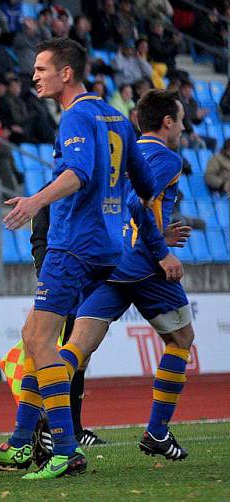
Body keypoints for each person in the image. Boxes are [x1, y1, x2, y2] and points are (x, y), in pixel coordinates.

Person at [0, 37, 156, 479]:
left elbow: (78, 173)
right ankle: (21, 442)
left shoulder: (75, 114)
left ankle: (64, 447)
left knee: (41, 342)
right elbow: (146, 182)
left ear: (67, 73)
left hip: (73, 242)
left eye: (42, 68)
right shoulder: (116, 116)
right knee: (34, 333)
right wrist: (116, 207)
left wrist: (36, 201)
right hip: (109, 246)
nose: (34, 76)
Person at [66, 89, 193, 461]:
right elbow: (138, 201)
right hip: (142, 263)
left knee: (76, 348)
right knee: (182, 339)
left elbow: (120, 203)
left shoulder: (122, 152)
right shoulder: (166, 158)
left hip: (110, 256)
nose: (184, 127)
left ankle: (38, 425)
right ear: (167, 122)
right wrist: (162, 250)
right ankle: (156, 432)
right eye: (181, 120)